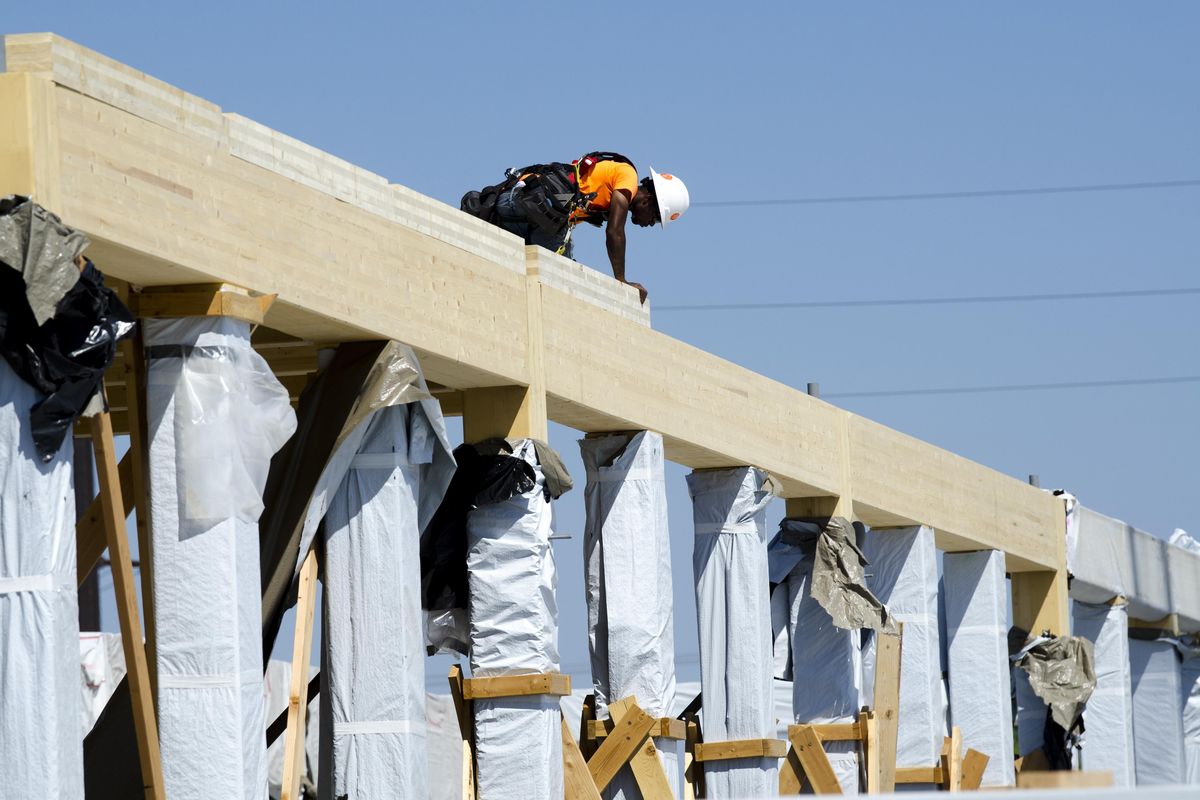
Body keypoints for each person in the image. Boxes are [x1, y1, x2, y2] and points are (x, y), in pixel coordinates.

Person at [471, 153, 689, 304]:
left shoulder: (603, 194)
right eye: (655, 218)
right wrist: (621, 281)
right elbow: (615, 231)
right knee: (563, 283)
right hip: (528, 206)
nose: (649, 224)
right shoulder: (627, 177)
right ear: (648, 201)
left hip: (517, 209)